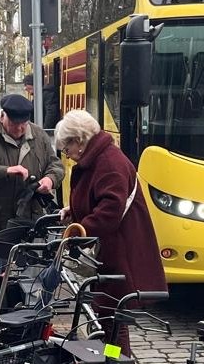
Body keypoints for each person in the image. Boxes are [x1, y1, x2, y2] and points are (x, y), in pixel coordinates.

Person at [55, 108, 166, 351]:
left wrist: (78, 231)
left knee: (112, 320)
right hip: (111, 252)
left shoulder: (108, 162)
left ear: (79, 140)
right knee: (108, 317)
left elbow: (110, 211)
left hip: (120, 253)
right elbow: (99, 200)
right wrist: (74, 210)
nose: (67, 154)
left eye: (66, 147)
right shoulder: (99, 158)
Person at [0, 93, 64, 317]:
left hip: (27, 223)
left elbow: (55, 165)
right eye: (14, 124)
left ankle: (25, 327)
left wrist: (50, 179)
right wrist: (6, 171)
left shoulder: (38, 135)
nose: (19, 129)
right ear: (3, 117)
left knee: (28, 282)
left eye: (23, 124)